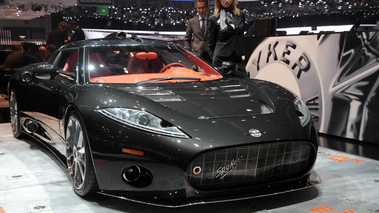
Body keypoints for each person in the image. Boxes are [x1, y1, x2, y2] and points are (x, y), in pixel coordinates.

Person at [207, 0, 247, 78]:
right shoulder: (213, 18)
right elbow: (211, 43)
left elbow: (240, 36)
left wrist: (242, 52)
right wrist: (218, 54)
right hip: (221, 59)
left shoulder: (240, 15)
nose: (227, 0)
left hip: (237, 57)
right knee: (221, 87)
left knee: (244, 82)